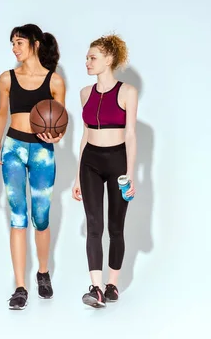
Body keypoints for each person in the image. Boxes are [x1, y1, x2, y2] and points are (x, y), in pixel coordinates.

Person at [0, 24, 66, 310]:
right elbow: (1, 113)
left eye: (19, 42)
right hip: (13, 148)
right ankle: (20, 286)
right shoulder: (7, 78)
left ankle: (43, 273)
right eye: (12, 43)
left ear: (34, 43)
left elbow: (62, 124)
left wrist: (56, 136)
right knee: (17, 217)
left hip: (42, 152)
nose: (14, 48)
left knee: (41, 216)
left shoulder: (55, 81)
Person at [72, 34, 138, 308]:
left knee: (116, 227)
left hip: (117, 161)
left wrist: (130, 174)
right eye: (87, 57)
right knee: (94, 225)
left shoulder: (127, 92)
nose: (87, 62)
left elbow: (131, 135)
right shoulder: (85, 93)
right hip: (91, 161)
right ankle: (96, 288)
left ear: (109, 59)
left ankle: (112, 284)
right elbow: (85, 134)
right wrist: (77, 175)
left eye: (92, 57)